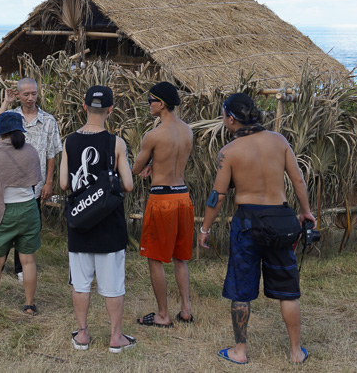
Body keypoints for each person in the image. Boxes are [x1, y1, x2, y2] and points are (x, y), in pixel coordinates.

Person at [198, 93, 316, 365]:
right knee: (288, 289)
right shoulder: (279, 140)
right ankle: (296, 351)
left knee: (241, 290)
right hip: (281, 220)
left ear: (230, 118)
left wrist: (205, 228)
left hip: (247, 223)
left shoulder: (229, 152)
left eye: (223, 115)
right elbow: (298, 180)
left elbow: (218, 196)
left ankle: (239, 351)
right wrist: (306, 211)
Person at [59, 85, 136, 354]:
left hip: (80, 221)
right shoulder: (116, 143)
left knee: (80, 283)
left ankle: (82, 335)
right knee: (113, 284)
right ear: (110, 110)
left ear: (84, 107)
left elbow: (62, 183)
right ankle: (116, 337)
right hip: (109, 224)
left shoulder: (69, 140)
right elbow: (128, 184)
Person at [0, 77, 62, 278]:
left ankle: (20, 268)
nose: (30, 98)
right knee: (2, 221)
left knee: (26, 227)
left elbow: (51, 153)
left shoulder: (48, 120)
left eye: (34, 93)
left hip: (34, 182)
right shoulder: (10, 116)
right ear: (18, 94)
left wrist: (49, 182)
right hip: (8, 182)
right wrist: (6, 103)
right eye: (26, 94)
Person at [132, 81, 195, 328]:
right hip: (183, 196)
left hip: (162, 199)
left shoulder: (154, 135)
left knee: (155, 258)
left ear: (161, 104)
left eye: (150, 101)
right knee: (181, 257)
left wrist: (147, 166)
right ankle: (186, 310)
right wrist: (155, 165)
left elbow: (136, 168)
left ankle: (162, 314)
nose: (149, 105)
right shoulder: (188, 131)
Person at [0, 111, 43, 317]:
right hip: (28, 209)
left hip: (2, 211)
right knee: (28, 261)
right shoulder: (30, 151)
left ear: (0, 132)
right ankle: (29, 305)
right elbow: (35, 180)